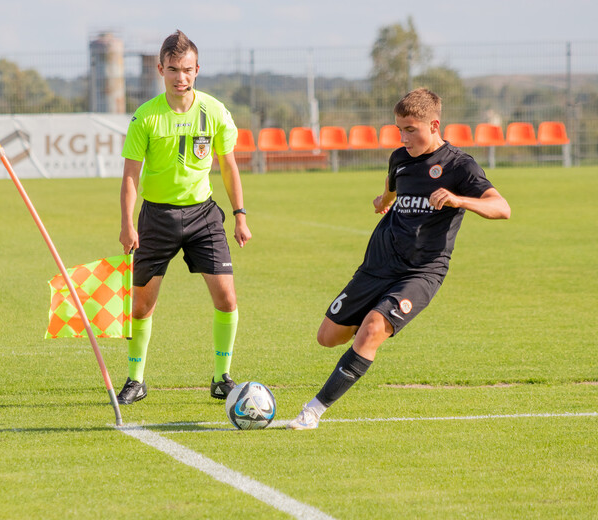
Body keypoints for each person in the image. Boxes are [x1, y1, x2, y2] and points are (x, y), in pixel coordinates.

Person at [288, 88, 511, 430]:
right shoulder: (400, 159)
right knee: (328, 337)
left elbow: (502, 208)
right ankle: (363, 335)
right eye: (399, 129)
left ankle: (313, 411)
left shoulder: (460, 166)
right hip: (379, 263)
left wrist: (459, 200)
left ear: (434, 125)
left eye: (411, 129)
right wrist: (382, 200)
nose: (404, 137)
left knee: (373, 330)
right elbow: (392, 188)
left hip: (422, 272)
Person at [117, 30, 252, 405]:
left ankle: (221, 377)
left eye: (188, 70)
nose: (181, 77)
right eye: (173, 69)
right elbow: (130, 175)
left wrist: (240, 215)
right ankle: (135, 379)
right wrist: (128, 223)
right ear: (161, 69)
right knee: (142, 304)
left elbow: (228, 166)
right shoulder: (145, 117)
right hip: (156, 218)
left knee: (226, 297)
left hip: (203, 216)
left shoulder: (215, 111)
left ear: (197, 70)